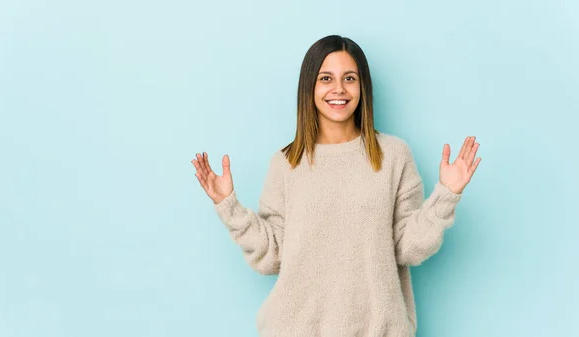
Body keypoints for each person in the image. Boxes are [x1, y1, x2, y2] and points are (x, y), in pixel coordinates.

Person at [191, 35, 481, 337]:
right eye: (326, 78)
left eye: (349, 78)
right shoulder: (285, 163)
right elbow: (272, 256)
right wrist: (229, 207)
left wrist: (447, 195)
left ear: (362, 86)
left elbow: (407, 248)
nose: (338, 89)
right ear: (310, 87)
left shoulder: (394, 155)